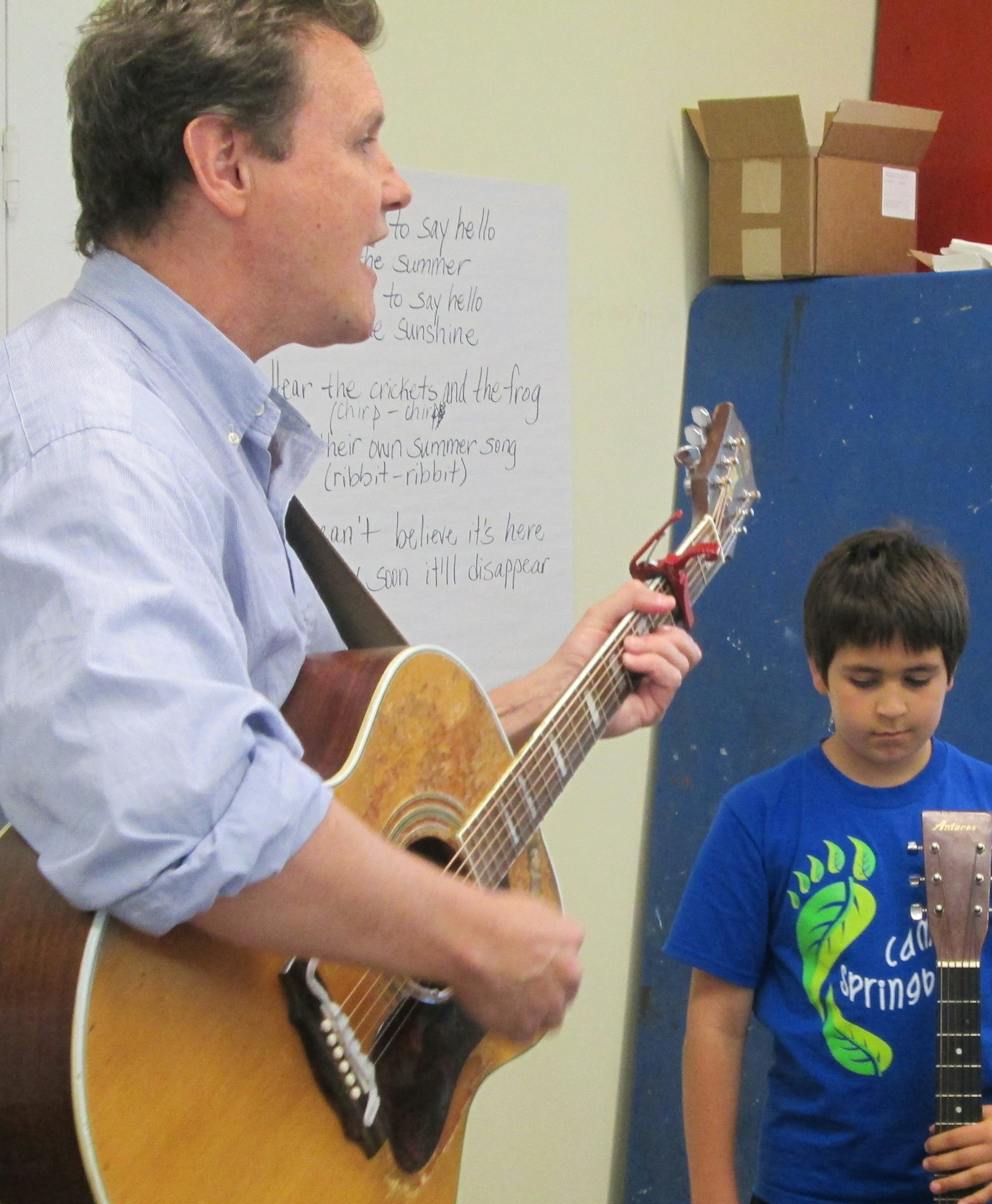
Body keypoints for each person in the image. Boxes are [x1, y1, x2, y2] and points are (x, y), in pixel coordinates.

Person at [0, 0, 700, 1044]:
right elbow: (179, 808)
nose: (397, 187)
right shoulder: (95, 438)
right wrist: (467, 931)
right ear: (226, 163)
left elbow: (301, 760)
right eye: (364, 140)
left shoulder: (192, 427)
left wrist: (547, 699)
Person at [664, 526, 992, 1204]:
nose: (891, 705)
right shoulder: (758, 817)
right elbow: (712, 1026)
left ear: (952, 674)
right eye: (863, 679)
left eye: (916, 678)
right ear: (818, 671)